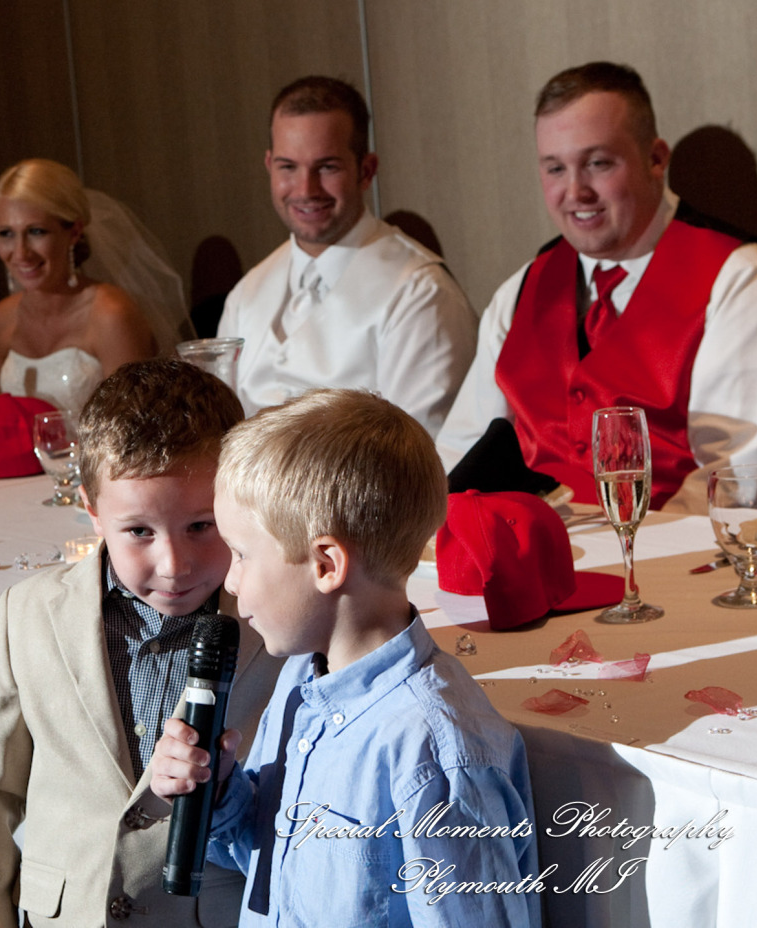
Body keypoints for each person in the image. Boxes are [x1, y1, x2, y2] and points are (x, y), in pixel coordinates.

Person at [152, 389, 540, 928]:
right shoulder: (298, 682)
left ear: (326, 564)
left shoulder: (435, 751)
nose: (231, 582)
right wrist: (218, 794)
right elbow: (271, 865)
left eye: (241, 555)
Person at [0, 358, 283, 927]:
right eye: (139, 532)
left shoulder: (277, 626)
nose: (174, 565)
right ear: (91, 508)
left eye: (202, 526)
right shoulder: (29, 613)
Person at [436, 61, 757, 512]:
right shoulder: (521, 289)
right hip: (534, 562)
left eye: (597, 163)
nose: (575, 192)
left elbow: (733, 480)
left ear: (655, 158)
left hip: (670, 565)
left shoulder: (738, 279)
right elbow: (461, 455)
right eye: (555, 168)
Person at [217, 76, 478, 440]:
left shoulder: (420, 293)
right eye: (287, 167)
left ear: (366, 170)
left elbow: (423, 461)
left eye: (327, 167)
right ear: (268, 166)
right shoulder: (246, 294)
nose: (306, 190)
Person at [0, 158, 178, 414]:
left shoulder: (111, 315)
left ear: (74, 232)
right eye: (7, 233)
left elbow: (133, 431)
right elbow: (5, 426)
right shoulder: (0, 320)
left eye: (36, 232)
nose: (20, 253)